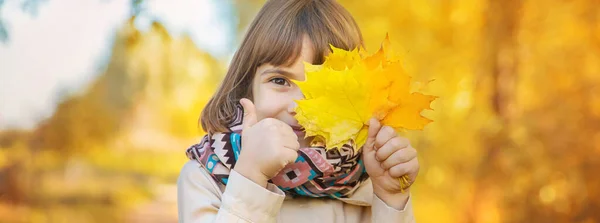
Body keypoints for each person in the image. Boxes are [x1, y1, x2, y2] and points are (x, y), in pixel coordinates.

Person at [177, 0, 419, 222]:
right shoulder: (205, 178)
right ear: (247, 87)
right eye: (280, 81)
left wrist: (391, 200)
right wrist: (250, 177)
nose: (298, 108)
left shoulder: (367, 182)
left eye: (323, 89)